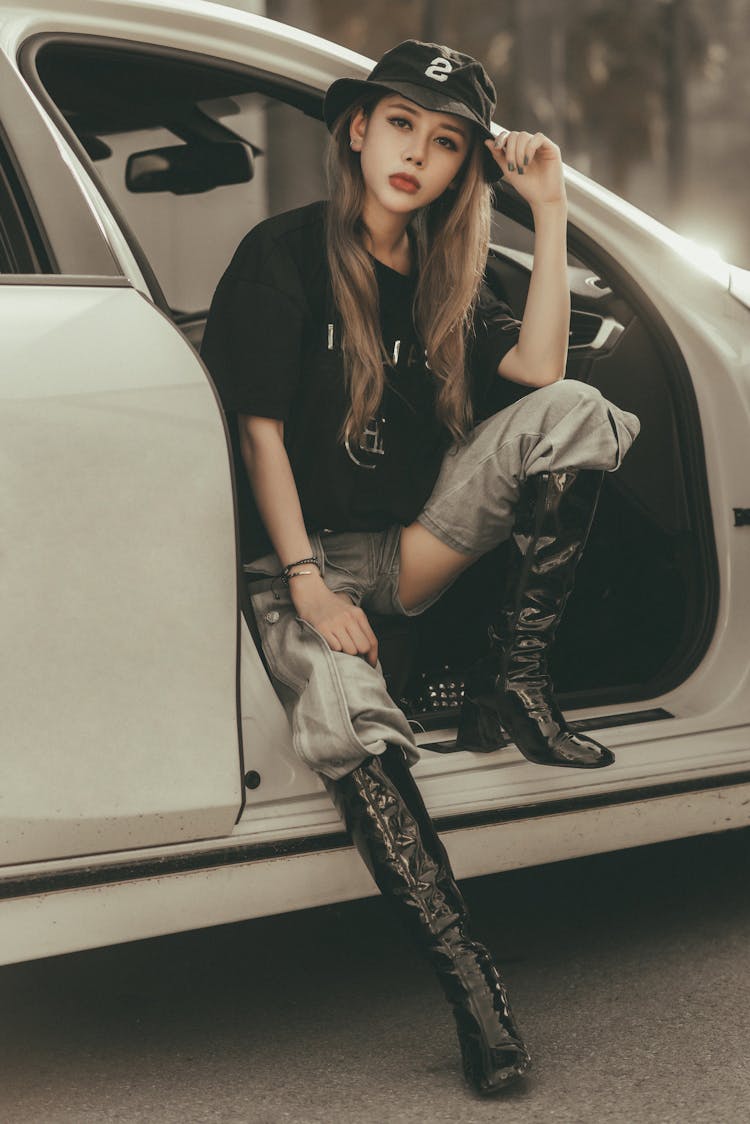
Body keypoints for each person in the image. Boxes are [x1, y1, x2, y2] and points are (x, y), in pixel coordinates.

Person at [200, 39, 640, 1095]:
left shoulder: (452, 272)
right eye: (402, 125)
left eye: (447, 143)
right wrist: (306, 580)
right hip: (298, 566)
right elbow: (256, 430)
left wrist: (547, 204)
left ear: (460, 170)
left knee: (579, 412)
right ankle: (478, 998)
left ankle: (514, 685)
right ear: (358, 129)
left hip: (407, 554)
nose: (419, 154)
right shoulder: (285, 253)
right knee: (354, 725)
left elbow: (537, 376)